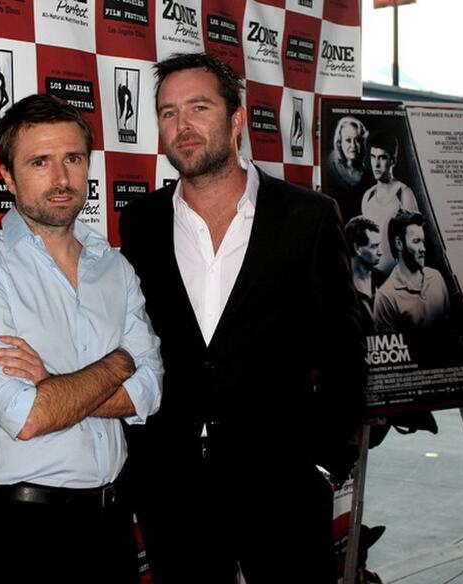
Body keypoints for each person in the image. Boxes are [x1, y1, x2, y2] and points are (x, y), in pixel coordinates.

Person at [118, 52, 366, 584]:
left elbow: (345, 353)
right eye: (167, 113)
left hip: (283, 487)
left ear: (236, 119)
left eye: (198, 107)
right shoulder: (140, 222)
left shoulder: (307, 217)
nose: (182, 126)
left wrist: (324, 466)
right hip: (174, 491)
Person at [0, 94, 162, 584]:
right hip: (27, 527)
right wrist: (118, 363)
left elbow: (151, 391)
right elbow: (26, 415)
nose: (61, 179)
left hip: (113, 520)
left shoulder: (114, 264)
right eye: (40, 162)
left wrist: (55, 383)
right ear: (7, 176)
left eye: (73, 159)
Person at [373, 210, 450, 336]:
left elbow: (450, 328)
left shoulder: (436, 277)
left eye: (423, 241)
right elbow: (391, 352)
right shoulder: (386, 297)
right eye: (416, 241)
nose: (423, 249)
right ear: (399, 243)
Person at [361, 130, 418, 275]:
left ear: (393, 160)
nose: (376, 164)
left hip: (397, 279)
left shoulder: (404, 194)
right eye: (373, 157)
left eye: (382, 158)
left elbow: (414, 240)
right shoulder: (368, 196)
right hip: (373, 276)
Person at [325, 116, 369, 220]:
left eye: (357, 140)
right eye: (348, 140)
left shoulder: (366, 172)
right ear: (339, 143)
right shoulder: (329, 166)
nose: (353, 145)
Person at [345, 215, 385, 323]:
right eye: (374, 246)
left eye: (379, 246)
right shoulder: (341, 289)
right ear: (357, 248)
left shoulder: (384, 280)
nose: (380, 252)